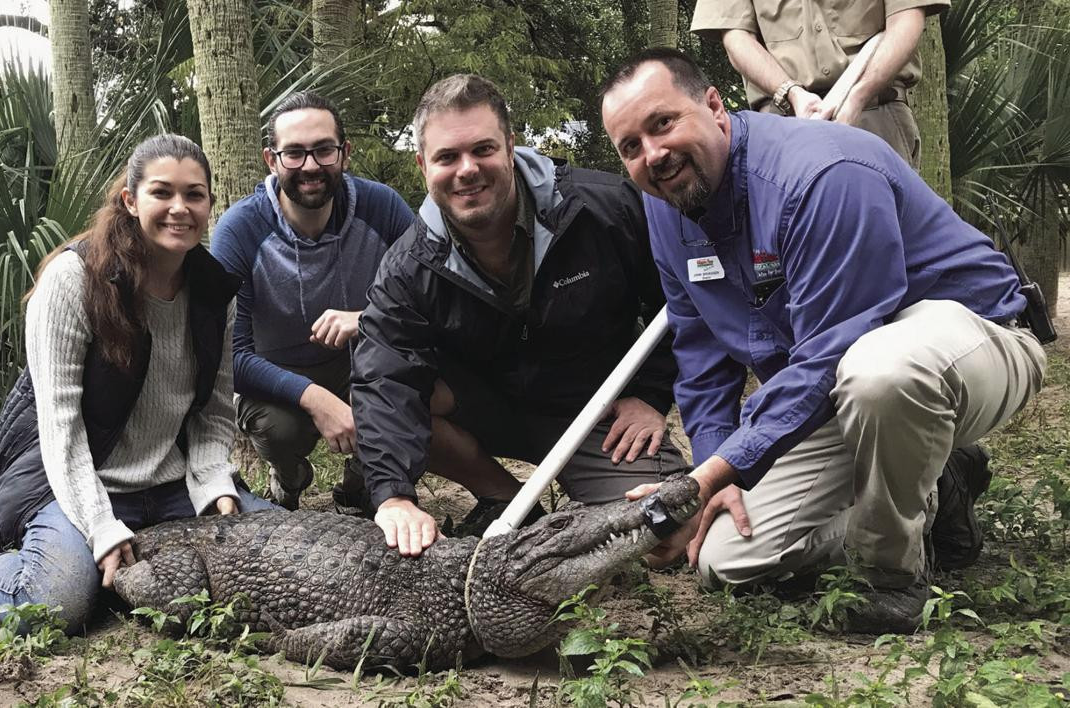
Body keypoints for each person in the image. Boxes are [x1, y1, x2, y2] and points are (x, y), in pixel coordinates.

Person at [599, 49, 1046, 633]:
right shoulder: (668, 207)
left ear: (714, 106)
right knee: (725, 556)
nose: (653, 155)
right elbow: (703, 356)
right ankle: (937, 485)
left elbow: (830, 353)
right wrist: (714, 474)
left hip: (972, 342)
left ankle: (892, 575)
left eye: (663, 123)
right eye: (630, 146)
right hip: (838, 386)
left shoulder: (820, 174)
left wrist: (705, 476)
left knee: (882, 371)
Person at [0, 134, 278, 633]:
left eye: (194, 194)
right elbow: (61, 427)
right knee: (55, 606)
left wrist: (215, 486)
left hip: (171, 484)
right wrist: (99, 524)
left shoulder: (214, 291)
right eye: (162, 192)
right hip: (70, 481)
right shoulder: (73, 280)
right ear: (130, 199)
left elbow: (213, 413)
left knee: (277, 548)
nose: (179, 208)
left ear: (209, 203)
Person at [352, 73, 689, 557]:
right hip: (489, 409)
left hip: (597, 413)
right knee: (393, 380)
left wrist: (650, 394)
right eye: (447, 157)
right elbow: (384, 378)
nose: (467, 169)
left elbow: (679, 300)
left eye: (483, 149)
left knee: (671, 535)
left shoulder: (605, 207)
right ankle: (507, 499)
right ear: (422, 165)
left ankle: (593, 491)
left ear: (510, 147)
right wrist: (393, 496)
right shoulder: (408, 266)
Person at [210, 92, 413, 511]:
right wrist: (316, 399)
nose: (310, 167)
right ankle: (289, 476)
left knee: (407, 387)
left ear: (345, 153)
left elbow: (429, 297)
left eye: (323, 150)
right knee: (280, 430)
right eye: (295, 153)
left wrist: (369, 318)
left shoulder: (383, 207)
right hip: (273, 372)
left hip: (362, 359)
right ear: (272, 160)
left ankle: (362, 485)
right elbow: (228, 352)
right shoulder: (240, 230)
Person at [690, 0, 946, 167]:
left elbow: (907, 20)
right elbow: (735, 37)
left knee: (887, 238)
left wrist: (858, 95)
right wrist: (791, 92)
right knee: (792, 243)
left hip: (874, 114)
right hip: (784, 123)